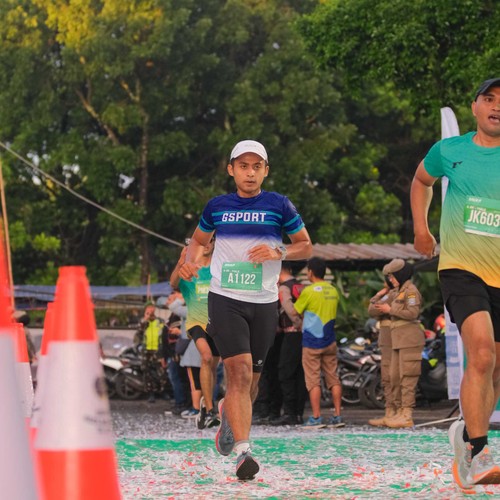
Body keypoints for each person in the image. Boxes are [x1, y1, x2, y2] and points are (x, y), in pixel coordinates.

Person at [178, 139, 312, 480]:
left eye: (256, 167)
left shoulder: (279, 205)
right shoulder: (217, 207)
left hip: (264, 303)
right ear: (231, 169)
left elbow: (305, 246)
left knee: (251, 383)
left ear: (266, 171)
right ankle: (243, 452)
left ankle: (229, 414)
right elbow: (198, 241)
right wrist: (190, 262)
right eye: (243, 166)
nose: (250, 173)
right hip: (225, 298)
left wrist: (278, 251)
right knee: (237, 373)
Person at [410, 77, 500, 488]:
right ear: (475, 106)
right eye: (489, 98)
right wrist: (422, 229)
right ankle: (480, 452)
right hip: (461, 268)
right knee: (480, 353)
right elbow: (421, 181)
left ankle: (465, 435)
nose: (496, 106)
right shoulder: (449, 150)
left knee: (494, 369)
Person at [170, 241, 221, 429]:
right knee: (206, 357)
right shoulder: (190, 269)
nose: (207, 245)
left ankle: (206, 403)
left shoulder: (218, 269)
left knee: (213, 366)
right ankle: (210, 410)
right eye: (203, 241)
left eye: (210, 241)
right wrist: (180, 263)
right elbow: (173, 283)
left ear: (214, 244)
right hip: (196, 323)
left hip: (217, 323)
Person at [293, 257, 344, 429]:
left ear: (310, 272)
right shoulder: (333, 290)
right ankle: (337, 416)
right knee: (333, 377)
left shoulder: (309, 291)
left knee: (313, 380)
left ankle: (316, 417)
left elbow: (296, 311)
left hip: (311, 342)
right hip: (330, 340)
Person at [374, 259, 425, 429]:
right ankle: (399, 412)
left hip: (409, 339)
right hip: (397, 340)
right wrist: (381, 295)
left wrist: (391, 310)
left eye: (392, 276)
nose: (391, 280)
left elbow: (413, 313)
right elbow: (373, 309)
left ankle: (407, 414)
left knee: (407, 377)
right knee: (395, 377)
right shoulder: (397, 292)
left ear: (401, 275)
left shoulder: (411, 292)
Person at [270, 262, 307, 426]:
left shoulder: (283, 288)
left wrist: (298, 323)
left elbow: (290, 309)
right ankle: (299, 412)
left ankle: (290, 413)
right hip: (305, 335)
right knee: (300, 372)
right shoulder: (301, 286)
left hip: (291, 334)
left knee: (285, 372)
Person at [367, 266, 399, 427]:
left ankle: (396, 411)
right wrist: (380, 294)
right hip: (387, 337)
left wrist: (381, 298)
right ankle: (390, 411)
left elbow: (373, 310)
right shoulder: (389, 294)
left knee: (393, 375)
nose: (387, 281)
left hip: (394, 336)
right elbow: (372, 310)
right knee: (387, 375)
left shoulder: (396, 294)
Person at [134, 304, 167, 403]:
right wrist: (145, 319)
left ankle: (162, 391)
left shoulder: (160, 321)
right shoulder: (143, 322)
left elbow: (164, 335)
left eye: (152, 311)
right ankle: (150, 393)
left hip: (158, 350)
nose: (150, 313)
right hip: (146, 350)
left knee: (161, 372)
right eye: (148, 311)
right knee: (147, 372)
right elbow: (138, 333)